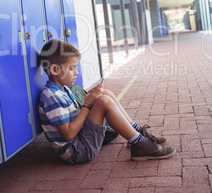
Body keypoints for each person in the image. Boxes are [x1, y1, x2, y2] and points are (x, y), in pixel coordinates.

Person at [38, 39, 176, 164]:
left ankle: (137, 133)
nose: (76, 73)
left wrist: (90, 99)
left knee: (104, 93)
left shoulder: (63, 90)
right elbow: (68, 134)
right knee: (103, 101)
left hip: (81, 139)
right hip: (77, 152)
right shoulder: (51, 97)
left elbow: (74, 118)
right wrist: (87, 105)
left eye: (76, 68)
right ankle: (140, 144)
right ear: (55, 69)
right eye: (72, 68)